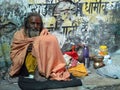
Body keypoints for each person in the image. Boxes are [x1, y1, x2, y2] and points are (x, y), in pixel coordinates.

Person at [9, 12, 70, 81]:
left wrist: (39, 46)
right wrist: (26, 49)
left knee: (48, 41)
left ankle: (41, 72)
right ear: (27, 24)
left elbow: (52, 47)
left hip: (42, 63)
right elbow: (14, 53)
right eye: (32, 23)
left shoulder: (44, 33)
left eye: (38, 24)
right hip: (25, 65)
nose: (35, 26)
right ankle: (37, 73)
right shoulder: (19, 35)